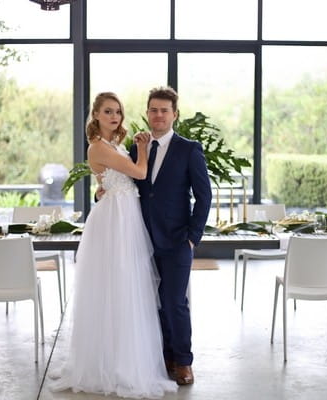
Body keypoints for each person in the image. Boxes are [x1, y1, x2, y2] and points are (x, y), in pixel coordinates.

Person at [48, 92, 178, 399]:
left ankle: (123, 358)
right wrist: (144, 148)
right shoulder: (98, 146)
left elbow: (108, 181)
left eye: (118, 112)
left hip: (124, 216)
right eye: (107, 112)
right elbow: (139, 173)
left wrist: (102, 188)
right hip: (114, 222)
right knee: (113, 285)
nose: (115, 117)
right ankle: (108, 364)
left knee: (126, 286)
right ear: (95, 116)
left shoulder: (114, 145)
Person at [130, 86, 212, 385]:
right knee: (150, 300)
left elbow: (204, 196)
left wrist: (193, 236)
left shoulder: (189, 149)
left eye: (165, 110)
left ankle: (183, 361)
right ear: (147, 113)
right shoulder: (136, 147)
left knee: (174, 300)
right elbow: (129, 187)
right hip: (141, 238)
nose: (159, 115)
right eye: (153, 109)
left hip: (178, 240)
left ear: (174, 114)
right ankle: (163, 355)